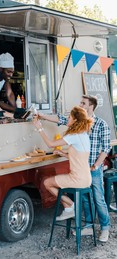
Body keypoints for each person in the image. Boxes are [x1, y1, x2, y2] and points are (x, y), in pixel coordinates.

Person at [36, 95, 111, 242]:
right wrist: (42, 116)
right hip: (81, 169)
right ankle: (89, 226)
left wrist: (95, 165)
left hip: (93, 168)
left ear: (91, 106)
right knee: (84, 199)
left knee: (98, 198)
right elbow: (60, 119)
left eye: (83, 103)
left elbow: (106, 148)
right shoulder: (79, 125)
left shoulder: (101, 124)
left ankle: (105, 228)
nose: (80, 104)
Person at [33, 106, 93, 221]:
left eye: (69, 117)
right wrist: (63, 154)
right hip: (86, 178)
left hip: (77, 179)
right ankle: (68, 208)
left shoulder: (74, 136)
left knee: (47, 183)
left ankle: (70, 204)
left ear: (75, 120)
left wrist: (39, 128)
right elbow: (79, 157)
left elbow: (51, 144)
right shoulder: (84, 135)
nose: (68, 119)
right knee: (52, 182)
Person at [0, 52, 26, 118]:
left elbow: (9, 94)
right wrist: (16, 109)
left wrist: (16, 109)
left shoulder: (5, 79)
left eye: (12, 72)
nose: (11, 75)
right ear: (1, 69)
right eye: (8, 72)